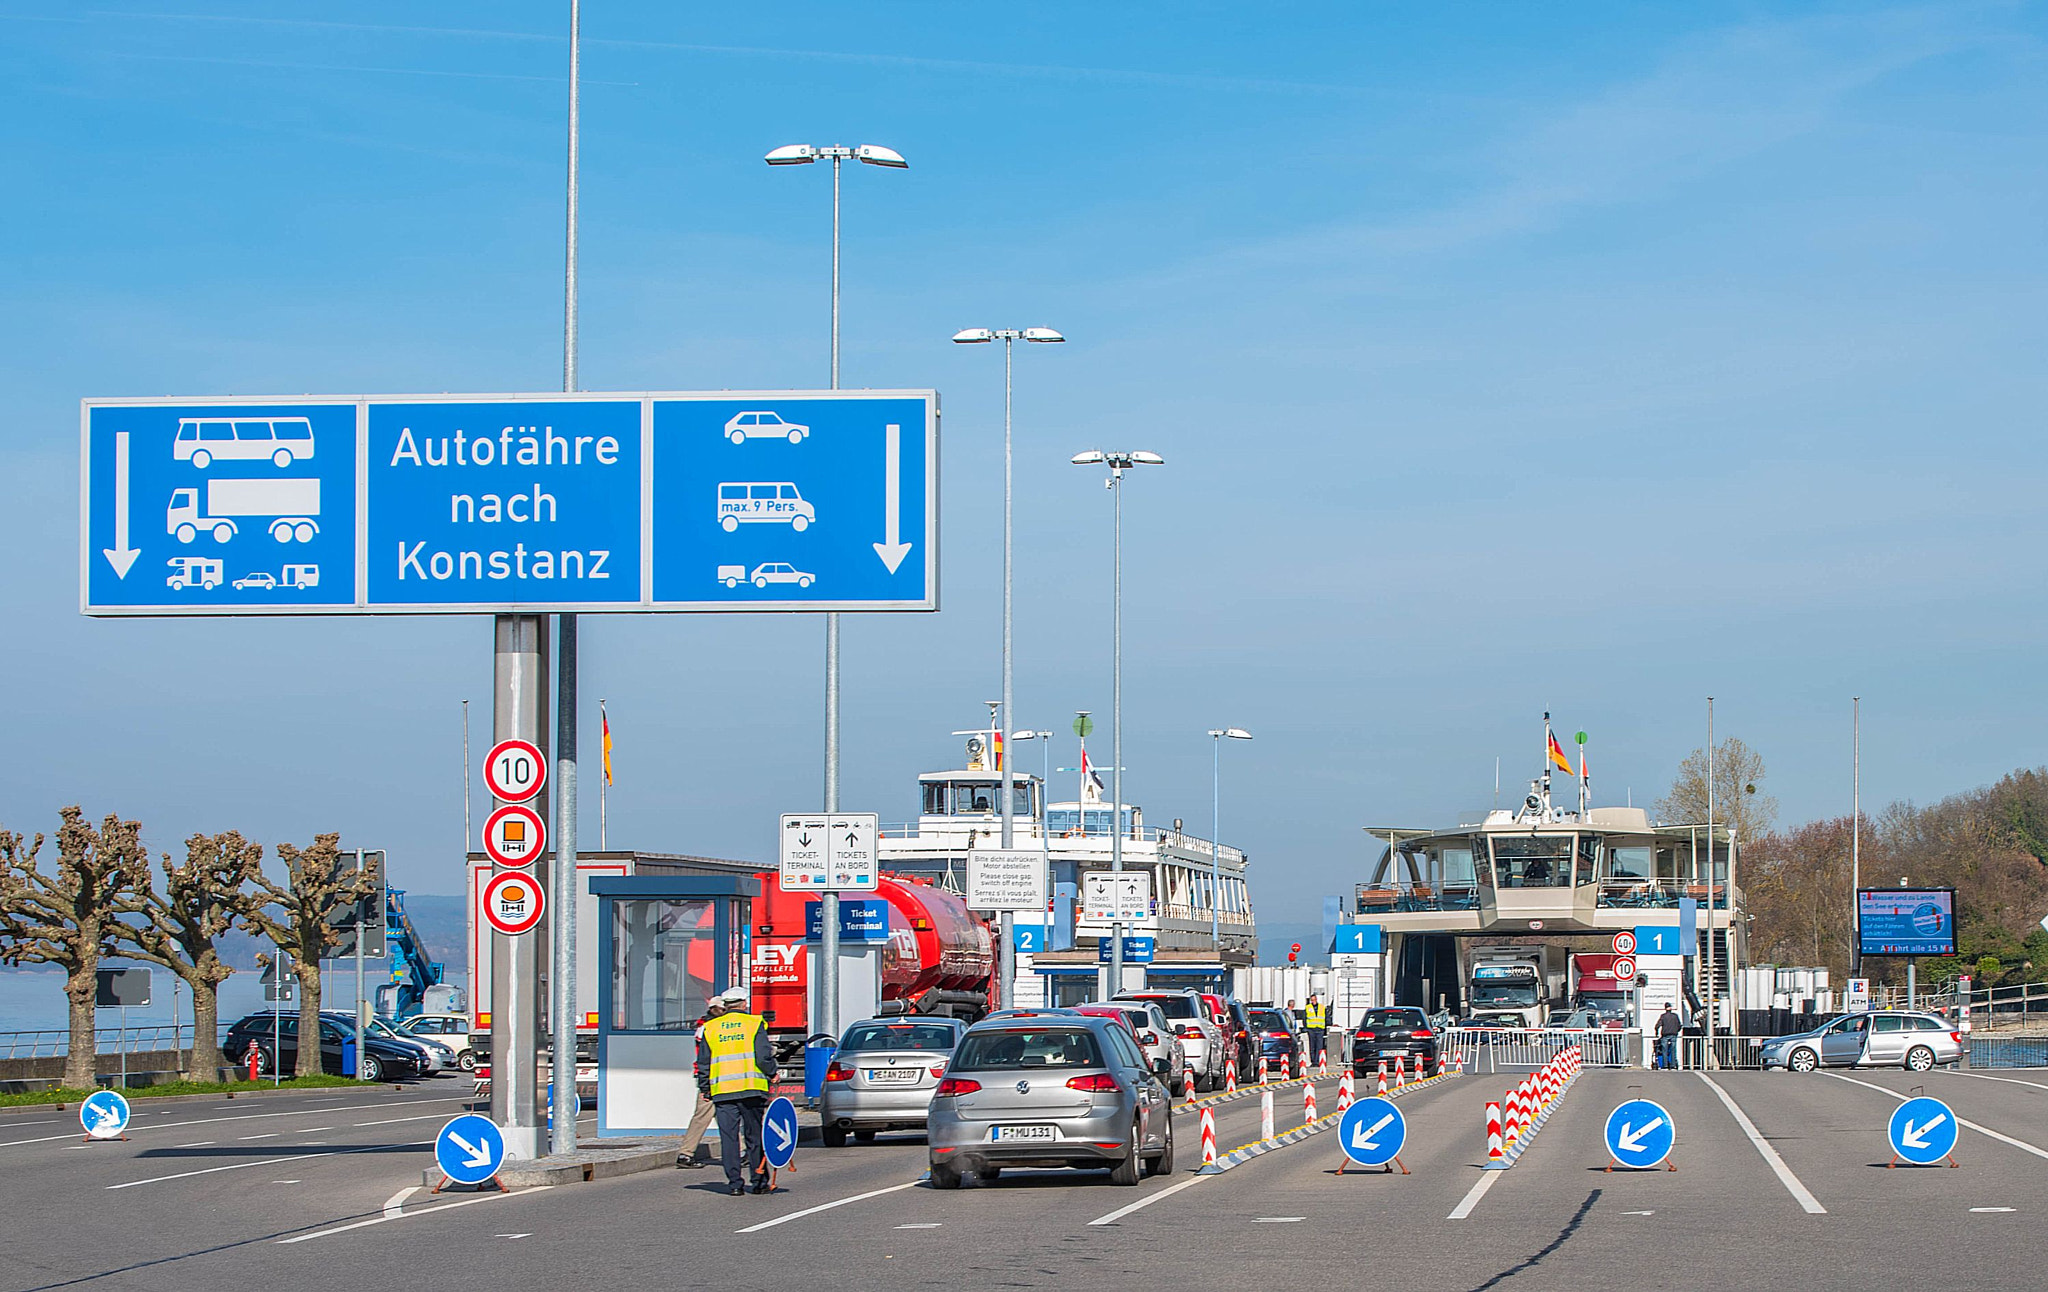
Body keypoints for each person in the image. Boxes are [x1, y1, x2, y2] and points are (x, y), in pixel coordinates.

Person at [696, 985, 776, 1195]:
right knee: (754, 1137)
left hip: (723, 1092)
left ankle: (734, 1185)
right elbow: (763, 1056)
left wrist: (705, 1088)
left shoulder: (711, 1027)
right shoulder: (754, 1023)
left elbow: (704, 1062)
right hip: (752, 1089)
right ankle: (758, 1182)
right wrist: (772, 1073)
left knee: (729, 1139)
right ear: (744, 1004)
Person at [675, 996, 731, 1169]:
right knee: (705, 1115)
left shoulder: (709, 1026)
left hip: (721, 1076)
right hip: (712, 1078)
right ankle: (685, 1153)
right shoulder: (707, 1027)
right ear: (716, 1009)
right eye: (723, 1009)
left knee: (728, 1116)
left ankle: (742, 1151)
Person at [1303, 993, 1328, 1067]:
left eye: (1314, 1000)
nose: (1313, 1001)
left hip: (1320, 1029)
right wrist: (1306, 1028)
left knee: (1319, 1046)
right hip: (1311, 1029)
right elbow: (1304, 1018)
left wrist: (1327, 1025)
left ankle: (1317, 1061)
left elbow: (1326, 1017)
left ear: (1316, 999)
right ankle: (1313, 1061)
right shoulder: (1308, 1007)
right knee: (1312, 1046)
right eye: (1312, 1000)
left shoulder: (1322, 1007)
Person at [1655, 1004, 1682, 1069]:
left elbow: (1657, 1025)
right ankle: (1673, 1065)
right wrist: (1677, 1031)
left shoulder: (1663, 1016)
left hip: (1665, 1034)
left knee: (1664, 1050)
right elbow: (1679, 1025)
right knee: (1673, 1050)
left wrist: (1656, 1032)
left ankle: (1665, 1065)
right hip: (1673, 1034)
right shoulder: (1675, 1016)